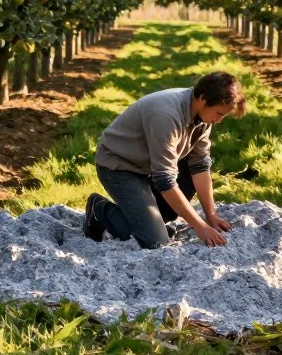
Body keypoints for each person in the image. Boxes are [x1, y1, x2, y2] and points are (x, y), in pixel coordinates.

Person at [82, 71, 246, 249]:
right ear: (203, 99)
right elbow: (165, 181)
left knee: (185, 181)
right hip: (119, 166)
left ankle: (147, 218)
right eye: (219, 114)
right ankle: (99, 209)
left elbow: (200, 165)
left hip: (148, 166)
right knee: (154, 240)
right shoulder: (165, 115)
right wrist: (200, 227)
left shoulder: (202, 117)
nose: (219, 120)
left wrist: (210, 216)